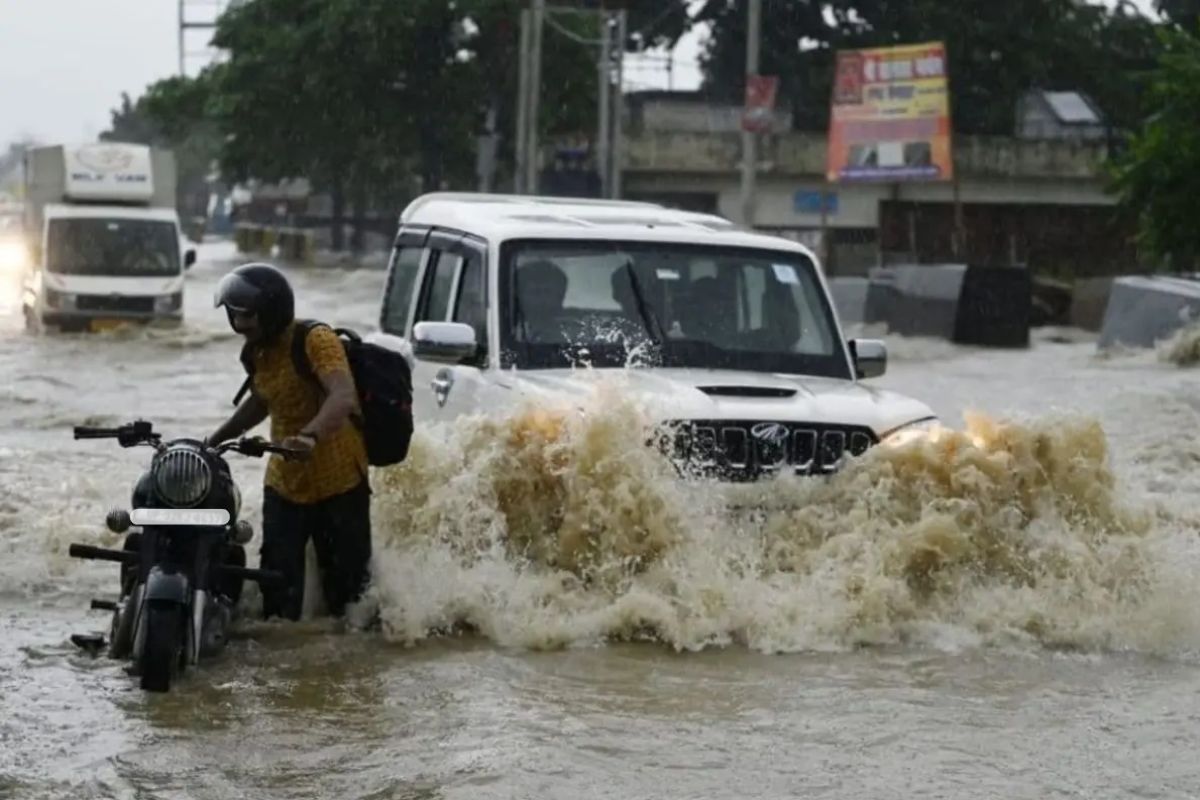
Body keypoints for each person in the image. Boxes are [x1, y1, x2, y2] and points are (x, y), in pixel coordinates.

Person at [208, 262, 372, 622]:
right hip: (285, 483)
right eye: (234, 317)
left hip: (338, 480)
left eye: (245, 317)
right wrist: (214, 441)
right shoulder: (257, 350)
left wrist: (310, 436)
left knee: (347, 596)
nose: (239, 326)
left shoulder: (315, 339)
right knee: (278, 593)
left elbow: (342, 396)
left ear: (271, 313)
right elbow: (262, 400)